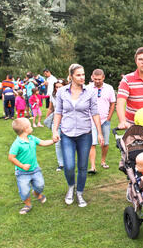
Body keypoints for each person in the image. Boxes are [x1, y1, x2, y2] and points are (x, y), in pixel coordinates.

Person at [53, 64, 104, 208]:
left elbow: (95, 113)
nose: (82, 77)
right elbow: (58, 112)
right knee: (69, 166)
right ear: (71, 77)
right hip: (67, 134)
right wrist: (55, 130)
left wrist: (99, 133)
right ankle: (71, 187)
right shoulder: (62, 92)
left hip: (84, 134)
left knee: (82, 166)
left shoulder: (90, 92)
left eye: (83, 74)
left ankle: (80, 193)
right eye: (78, 75)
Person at [8, 118, 57, 215]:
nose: (31, 127)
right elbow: (11, 157)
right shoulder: (17, 144)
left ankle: (36, 193)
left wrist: (53, 141)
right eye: (30, 126)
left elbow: (42, 142)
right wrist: (22, 165)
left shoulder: (32, 138)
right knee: (24, 191)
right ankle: (27, 205)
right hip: (22, 173)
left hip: (35, 169)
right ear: (25, 129)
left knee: (40, 185)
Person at [87, 69, 116, 173]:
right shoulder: (87, 88)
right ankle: (93, 166)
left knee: (105, 143)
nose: (97, 81)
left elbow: (113, 103)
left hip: (105, 119)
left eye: (99, 79)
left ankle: (103, 161)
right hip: (91, 120)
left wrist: (109, 117)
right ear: (92, 77)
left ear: (103, 78)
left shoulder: (109, 88)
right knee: (92, 143)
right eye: (95, 79)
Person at [45, 79, 67, 171]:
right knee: (57, 143)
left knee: (67, 143)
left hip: (67, 122)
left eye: (60, 87)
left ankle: (68, 161)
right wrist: (46, 119)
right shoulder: (53, 96)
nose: (58, 89)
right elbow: (51, 108)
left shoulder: (69, 95)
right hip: (56, 122)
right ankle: (61, 164)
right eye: (56, 87)